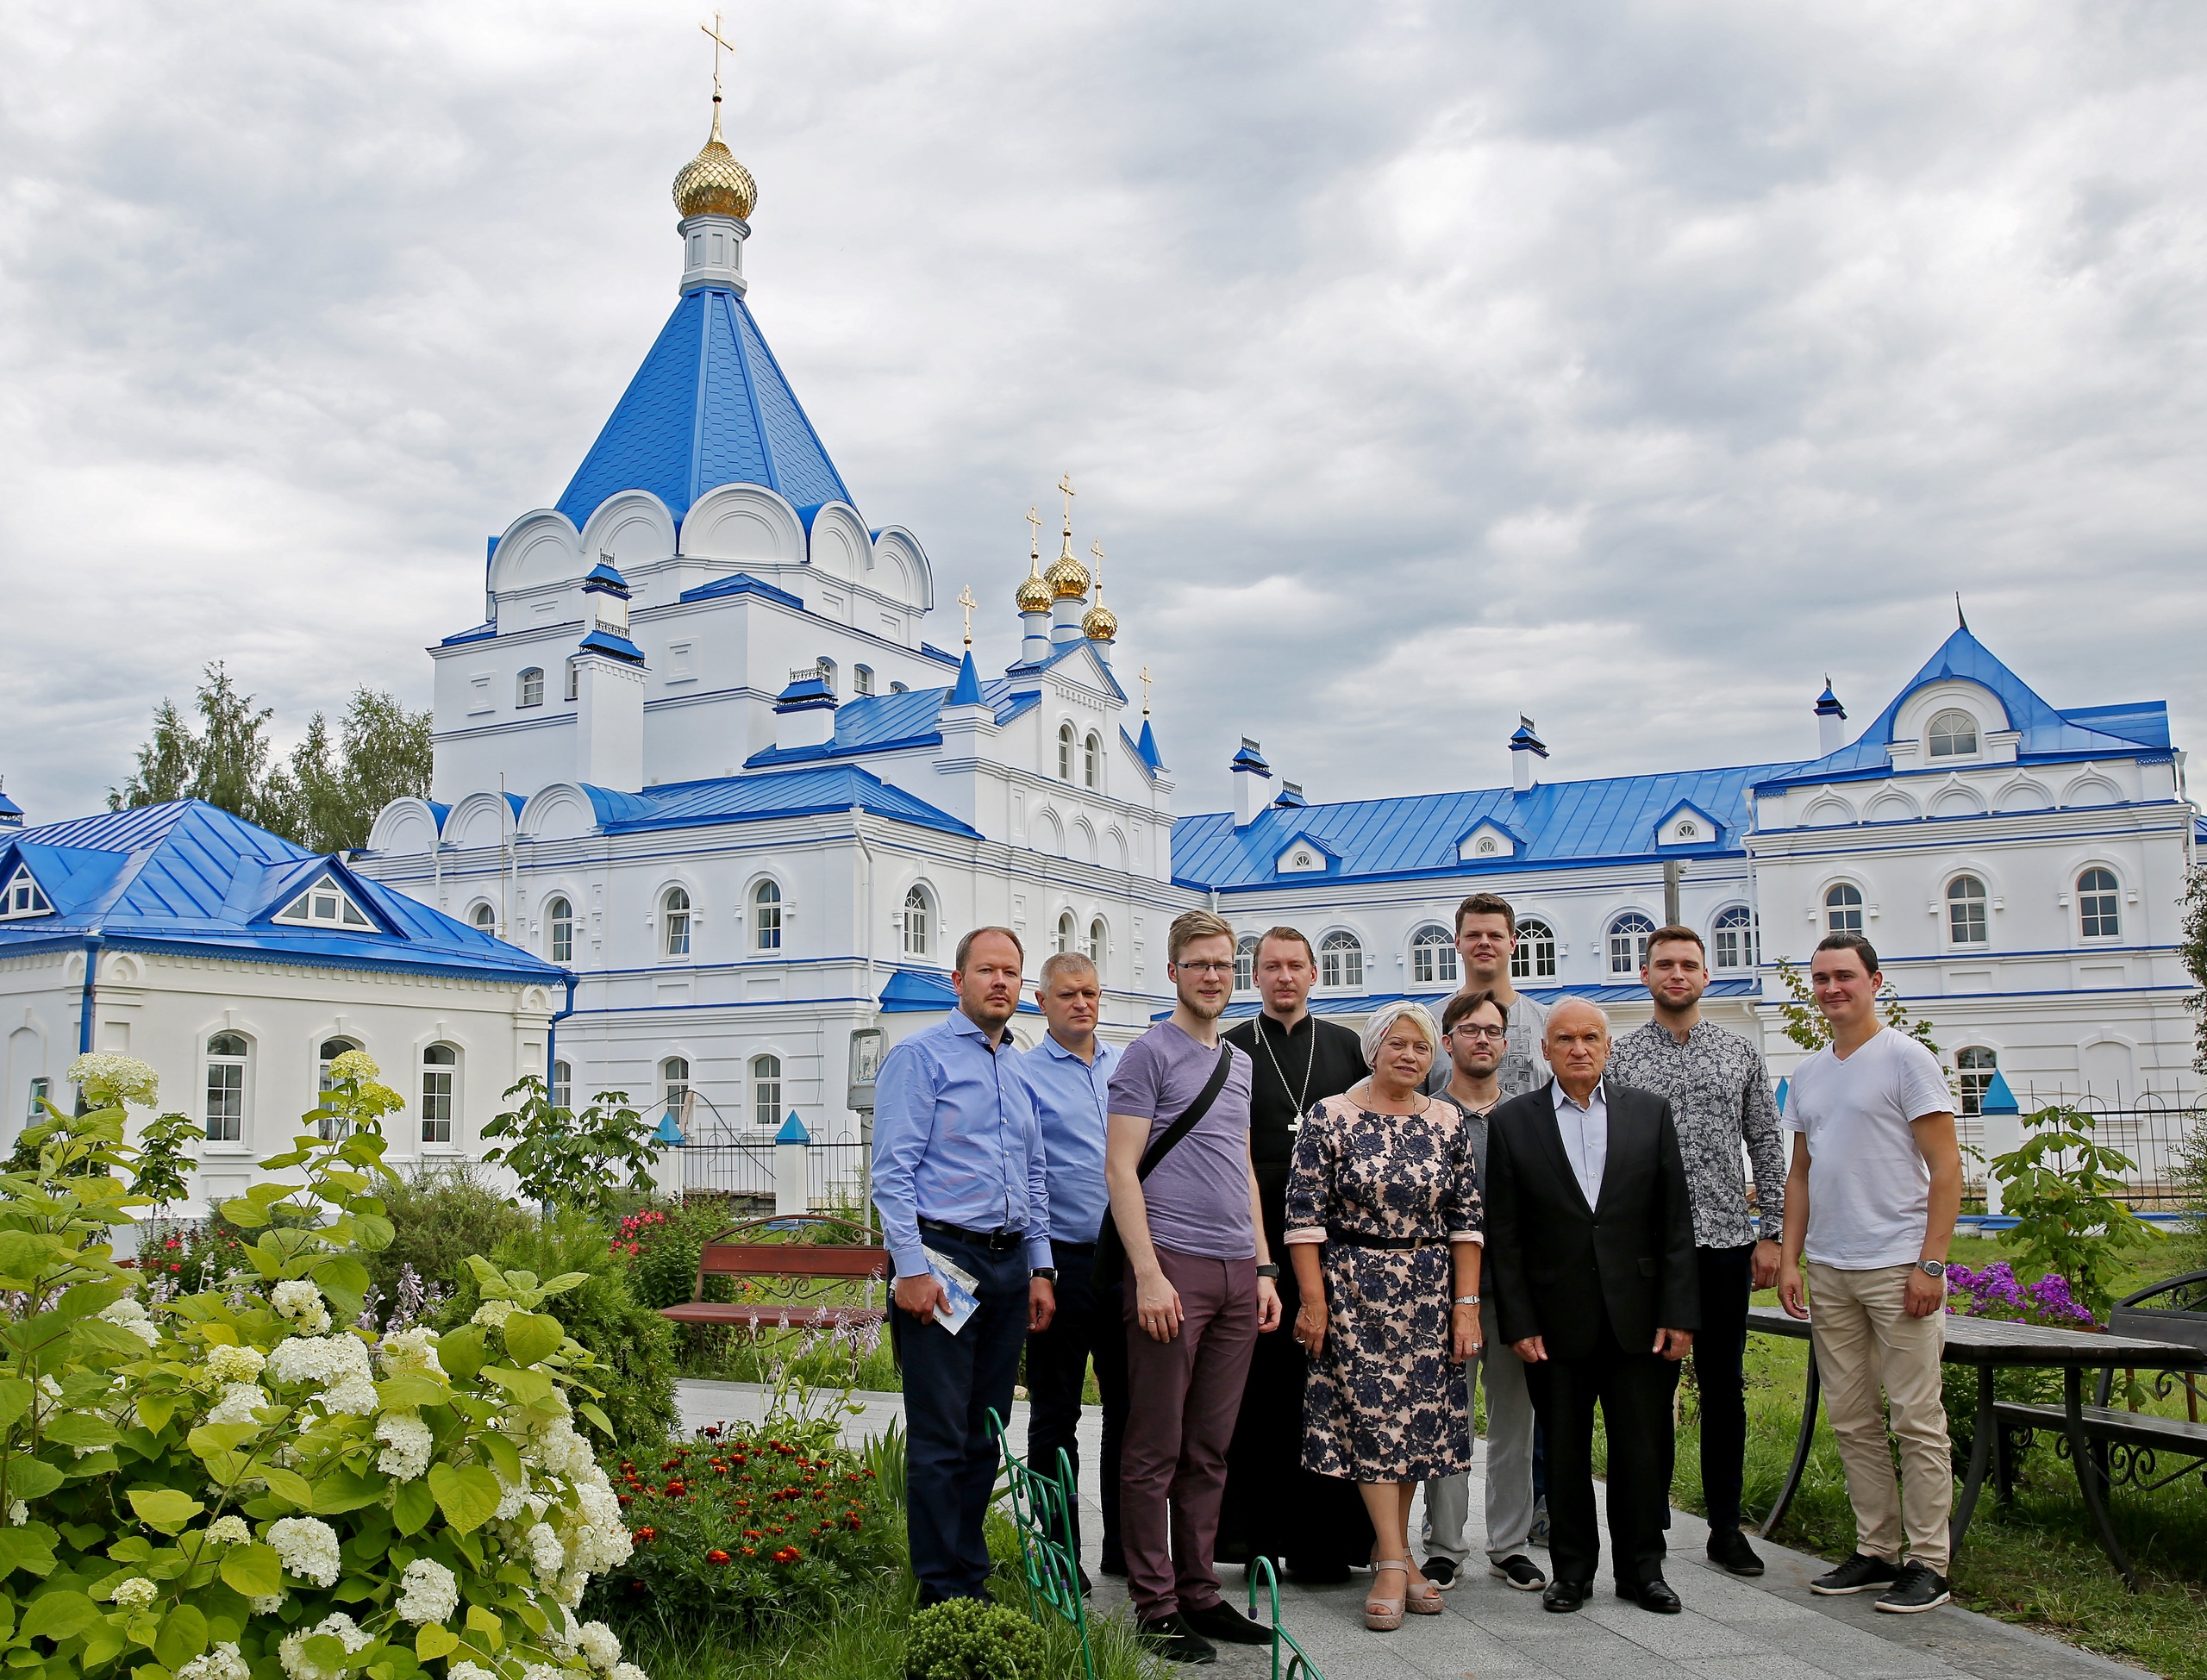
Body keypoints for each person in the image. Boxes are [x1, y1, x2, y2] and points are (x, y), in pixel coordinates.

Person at [1484, 998, 1697, 1615]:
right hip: (1554, 1323)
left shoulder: (1650, 1114)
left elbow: (1675, 1223)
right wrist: (1519, 1321)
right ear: (1545, 1049)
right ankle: (1571, 1571)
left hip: (1639, 1319)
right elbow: (1507, 1231)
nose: (1579, 1048)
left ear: (1608, 1046)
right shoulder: (1514, 1122)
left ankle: (1642, 1570)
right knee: (1566, 1452)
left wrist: (1679, 1312)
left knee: (1640, 1450)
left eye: (1591, 1037)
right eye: (1565, 1038)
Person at [1108, 909, 1282, 1664]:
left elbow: (1242, 1166)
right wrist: (1146, 1273)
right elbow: (1119, 1169)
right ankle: (1154, 1601)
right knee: (1155, 1442)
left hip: (1237, 1270)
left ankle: (1200, 1589)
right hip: (1171, 1265)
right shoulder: (1147, 1054)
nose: (1213, 975)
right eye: (1199, 963)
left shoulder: (1238, 1061)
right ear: (1173, 971)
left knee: (1211, 1444)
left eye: (1223, 964)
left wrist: (1265, 1264)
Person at [1777, 933, 1963, 1614]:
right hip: (1830, 1266)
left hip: (1897, 1266)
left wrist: (1931, 1262)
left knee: (1916, 1416)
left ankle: (1929, 1562)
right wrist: (1792, 1257)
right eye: (1822, 978)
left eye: (1845, 976)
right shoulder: (1810, 1072)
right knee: (1852, 1416)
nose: (1832, 989)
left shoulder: (1905, 1059)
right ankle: (1877, 1548)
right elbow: (1800, 1172)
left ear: (1875, 981)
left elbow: (1946, 1167)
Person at [869, 927, 1054, 1606]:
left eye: (1010, 970)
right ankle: (939, 1589)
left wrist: (1041, 1268)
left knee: (985, 1433)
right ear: (958, 980)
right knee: (941, 1435)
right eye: (986, 970)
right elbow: (890, 1173)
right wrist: (912, 1269)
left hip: (1007, 1268)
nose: (999, 981)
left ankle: (968, 1572)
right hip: (943, 1262)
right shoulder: (921, 1058)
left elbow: (1033, 1175)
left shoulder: (1019, 1064)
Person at [1285, 1001, 1483, 1633]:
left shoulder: (1447, 1119)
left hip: (1429, 1288)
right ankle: (1397, 1561)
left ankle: (1390, 1554)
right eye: (1397, 1043)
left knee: (1414, 1426)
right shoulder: (1332, 1115)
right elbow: (1303, 1217)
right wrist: (1313, 1301)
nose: (1409, 1056)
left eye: (1421, 1047)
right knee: (1372, 1421)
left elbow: (1468, 1221)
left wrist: (1466, 1306)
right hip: (1353, 1287)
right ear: (1373, 1049)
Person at [1605, 925, 1786, 1578]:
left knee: (1724, 1387)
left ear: (1706, 976)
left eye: (1688, 964)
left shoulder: (1739, 1052)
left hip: (1726, 1244)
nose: (1676, 973)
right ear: (1645, 975)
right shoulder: (1621, 1058)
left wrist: (1773, 1232)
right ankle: (1648, 1522)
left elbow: (1766, 1142)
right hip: (1648, 1254)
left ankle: (1725, 1525)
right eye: (1664, 964)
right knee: (1647, 1389)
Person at [1217, 927, 1374, 1583]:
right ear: (1256, 977)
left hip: (1335, 1251)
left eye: (1295, 966)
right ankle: (1254, 1538)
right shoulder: (1229, 1049)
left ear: (1315, 974)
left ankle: (1322, 1543)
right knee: (1256, 1396)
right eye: (1271, 966)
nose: (1284, 976)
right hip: (1251, 1242)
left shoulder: (1348, 1049)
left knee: (1330, 1395)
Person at [1422, 891, 1553, 1563]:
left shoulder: (1528, 1117)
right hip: (1440, 1284)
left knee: (1513, 1415)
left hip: (1515, 1284)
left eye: (1492, 1032)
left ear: (1509, 1041)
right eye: (1469, 1032)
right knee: (1447, 1411)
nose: (1481, 1040)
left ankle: (1509, 1541)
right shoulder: (1427, 1116)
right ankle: (1444, 1540)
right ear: (1449, 1043)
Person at [1016, 949, 1126, 1587]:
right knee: (1056, 1412)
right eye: (1067, 995)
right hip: (1061, 1262)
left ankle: (1124, 1545)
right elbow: (1028, 1178)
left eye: (1089, 992)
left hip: (1126, 1261)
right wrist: (1041, 1268)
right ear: (1043, 1002)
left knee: (1130, 1409)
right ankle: (1059, 1554)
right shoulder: (1026, 1075)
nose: (1081, 1003)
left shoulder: (1126, 1065)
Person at [1425, 892, 1552, 1105]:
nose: (1484, 943)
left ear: (1512, 943)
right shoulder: (1427, 1023)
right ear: (1457, 942)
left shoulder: (1548, 1022)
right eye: (1473, 935)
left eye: (1495, 935)